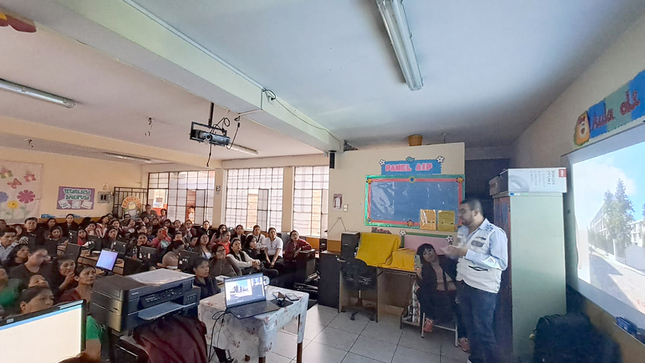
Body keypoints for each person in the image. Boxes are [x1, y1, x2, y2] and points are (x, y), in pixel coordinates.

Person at [444, 199, 508, 363]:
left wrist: (468, 253)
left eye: (463, 211)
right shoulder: (462, 232)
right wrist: (451, 252)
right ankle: (476, 358)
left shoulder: (494, 233)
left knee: (484, 331)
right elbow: (458, 255)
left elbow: (501, 263)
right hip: (464, 284)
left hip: (483, 290)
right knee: (470, 327)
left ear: (475, 212)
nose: (460, 215)